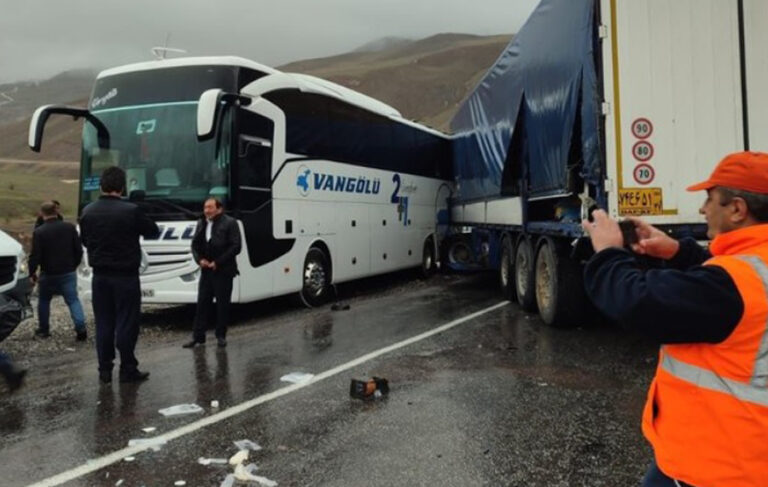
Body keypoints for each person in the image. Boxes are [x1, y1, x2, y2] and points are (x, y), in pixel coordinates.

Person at [582, 151, 768, 487]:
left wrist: (609, 252)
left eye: (710, 199)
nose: (702, 209)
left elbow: (636, 301)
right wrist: (677, 252)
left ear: (738, 209)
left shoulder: (732, 285)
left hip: (719, 466)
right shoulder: (751, 271)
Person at [79, 166, 159, 384]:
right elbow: (153, 230)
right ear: (122, 186)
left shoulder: (87, 212)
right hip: (125, 275)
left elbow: (85, 240)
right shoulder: (131, 211)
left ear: (102, 185)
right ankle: (127, 368)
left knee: (104, 322)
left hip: (100, 276)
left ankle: (104, 370)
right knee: (126, 322)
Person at [183, 197, 241, 349]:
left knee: (222, 305)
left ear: (219, 209)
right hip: (206, 270)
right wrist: (199, 259)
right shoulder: (201, 223)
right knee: (202, 303)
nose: (206, 210)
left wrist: (218, 262)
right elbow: (195, 244)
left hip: (223, 270)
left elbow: (236, 246)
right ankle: (198, 337)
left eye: (210, 207)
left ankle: (221, 335)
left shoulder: (230, 223)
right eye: (205, 207)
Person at [28, 201, 87, 340]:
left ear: (42, 214)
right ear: (57, 212)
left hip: (48, 273)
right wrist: (74, 265)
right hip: (68, 271)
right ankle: (81, 328)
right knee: (73, 300)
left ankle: (44, 330)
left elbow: (35, 256)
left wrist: (32, 273)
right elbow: (78, 250)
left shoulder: (39, 232)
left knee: (43, 300)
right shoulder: (69, 228)